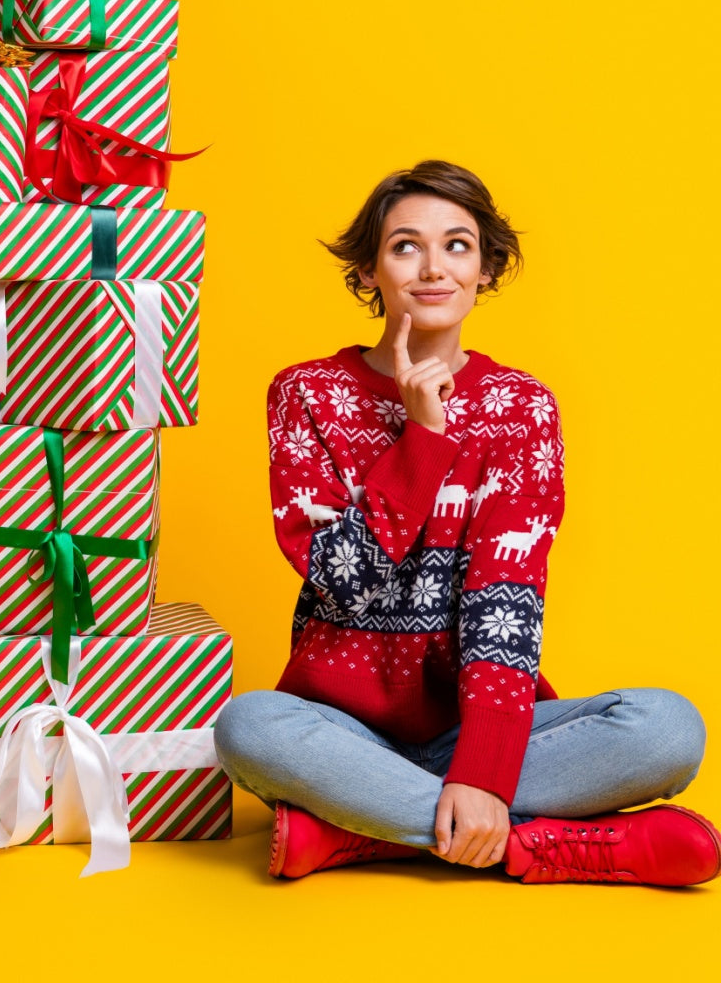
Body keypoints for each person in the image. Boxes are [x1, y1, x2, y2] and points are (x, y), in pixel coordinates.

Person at [214, 160, 718, 885]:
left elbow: (505, 600)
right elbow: (340, 582)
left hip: (480, 727)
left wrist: (480, 770)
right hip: (340, 731)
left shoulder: (522, 406)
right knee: (246, 728)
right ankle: (538, 845)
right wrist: (422, 438)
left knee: (670, 731)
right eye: (404, 245)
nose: (433, 267)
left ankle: (369, 831)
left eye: (458, 245)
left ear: (486, 270)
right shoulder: (307, 394)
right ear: (369, 271)